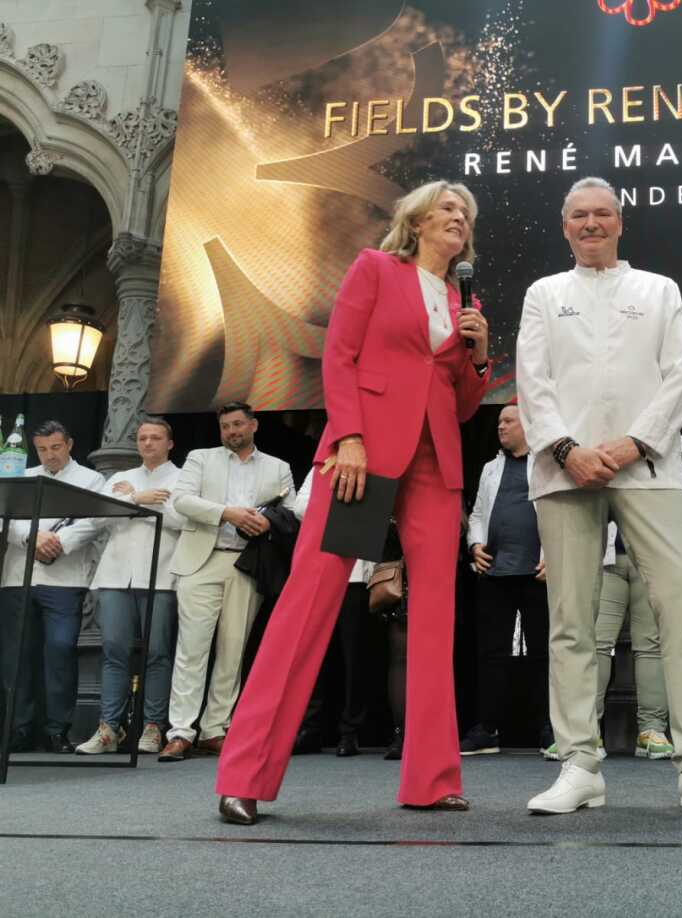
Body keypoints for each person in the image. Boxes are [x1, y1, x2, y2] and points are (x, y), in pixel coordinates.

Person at [215, 179, 491, 825]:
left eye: (466, 215)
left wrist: (477, 359)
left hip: (435, 464)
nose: (459, 219)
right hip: (363, 458)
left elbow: (459, 400)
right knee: (308, 605)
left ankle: (432, 778)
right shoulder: (375, 269)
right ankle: (245, 775)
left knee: (432, 622)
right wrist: (350, 438)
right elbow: (338, 356)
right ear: (417, 219)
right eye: (448, 209)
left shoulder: (459, 298)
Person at [516, 176, 682, 816]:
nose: (590, 224)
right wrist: (566, 450)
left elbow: (681, 377)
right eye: (578, 216)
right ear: (564, 226)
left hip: (650, 468)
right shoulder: (544, 294)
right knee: (572, 623)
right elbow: (533, 382)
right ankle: (579, 762)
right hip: (565, 472)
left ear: (620, 221)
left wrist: (636, 443)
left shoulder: (658, 290)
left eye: (601, 214)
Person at [159, 403, 294, 762]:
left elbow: (293, 513)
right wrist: (226, 513)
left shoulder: (278, 467)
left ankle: (215, 729)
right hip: (201, 560)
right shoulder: (201, 458)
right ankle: (180, 731)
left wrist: (268, 523)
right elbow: (181, 500)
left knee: (233, 650)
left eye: (237, 424)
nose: (231, 431)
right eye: (225, 426)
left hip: (246, 565)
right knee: (192, 649)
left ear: (254, 425)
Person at [588, 433, 682, 761]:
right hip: (606, 556)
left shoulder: (666, 430)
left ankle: (652, 730)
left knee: (651, 643)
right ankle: (586, 732)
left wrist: (657, 460)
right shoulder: (598, 426)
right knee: (596, 641)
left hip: (651, 554)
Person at [77, 417, 184, 756]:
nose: (148, 443)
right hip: (115, 574)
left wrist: (136, 503)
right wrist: (141, 498)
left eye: (155, 438)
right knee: (114, 651)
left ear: (169, 443)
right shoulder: (121, 479)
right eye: (142, 438)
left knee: (157, 652)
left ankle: (153, 726)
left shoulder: (182, 478)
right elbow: (97, 518)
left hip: (162, 575)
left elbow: (184, 520)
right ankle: (109, 728)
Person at [0, 421, 105, 753]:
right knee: (17, 657)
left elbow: (95, 520)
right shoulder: (22, 475)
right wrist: (32, 537)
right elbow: (3, 516)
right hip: (17, 577)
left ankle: (57, 729)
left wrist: (58, 541)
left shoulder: (91, 479)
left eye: (56, 448)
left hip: (65, 578)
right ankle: (18, 729)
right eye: (43, 449)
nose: (50, 455)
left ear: (69, 444)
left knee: (60, 651)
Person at [461, 404, 550, 756]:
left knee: (543, 654)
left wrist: (552, 557)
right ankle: (487, 729)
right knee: (490, 654)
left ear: (527, 426)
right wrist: (475, 544)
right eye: (499, 421)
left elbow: (559, 512)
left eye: (509, 421)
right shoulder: (490, 468)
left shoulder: (545, 464)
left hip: (537, 575)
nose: (501, 426)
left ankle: (549, 728)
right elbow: (479, 512)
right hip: (494, 573)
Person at [289, 470, 374, 757]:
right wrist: (346, 503)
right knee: (314, 656)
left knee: (355, 658)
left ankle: (350, 732)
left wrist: (333, 505)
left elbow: (377, 509)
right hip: (318, 572)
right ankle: (311, 729)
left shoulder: (378, 464)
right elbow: (300, 507)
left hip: (357, 577)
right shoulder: (324, 464)